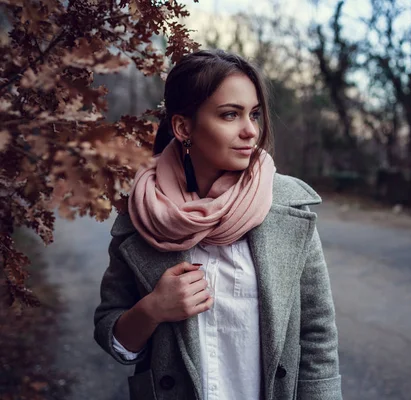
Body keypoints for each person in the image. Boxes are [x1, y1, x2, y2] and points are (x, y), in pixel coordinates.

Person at [93, 49, 342, 400]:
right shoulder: (144, 214)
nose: (250, 131)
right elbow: (112, 335)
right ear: (183, 127)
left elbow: (317, 337)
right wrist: (152, 309)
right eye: (230, 115)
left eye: (254, 114)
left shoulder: (285, 206)